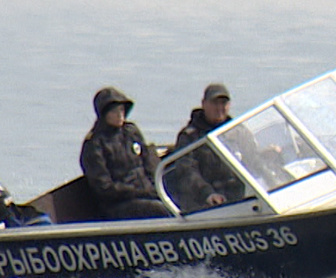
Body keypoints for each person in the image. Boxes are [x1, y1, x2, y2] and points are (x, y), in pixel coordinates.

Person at [79, 87, 170, 220]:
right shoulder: (94, 144)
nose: (120, 115)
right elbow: (104, 187)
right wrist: (139, 191)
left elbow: (148, 161)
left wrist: (154, 185)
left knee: (180, 198)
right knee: (160, 209)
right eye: (115, 111)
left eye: (122, 110)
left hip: (147, 191)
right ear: (104, 114)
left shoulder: (131, 132)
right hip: (118, 203)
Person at [172, 83, 246, 210]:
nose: (219, 108)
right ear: (204, 104)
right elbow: (187, 171)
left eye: (223, 103)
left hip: (237, 196)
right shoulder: (190, 136)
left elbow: (253, 161)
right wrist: (207, 194)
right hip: (204, 201)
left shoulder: (238, 132)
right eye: (214, 103)